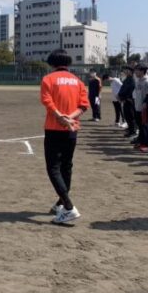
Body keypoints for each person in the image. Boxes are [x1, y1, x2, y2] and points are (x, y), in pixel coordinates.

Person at [41, 49, 90, 224]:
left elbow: (47, 101)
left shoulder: (48, 79)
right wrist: (70, 117)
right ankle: (60, 203)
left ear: (52, 63)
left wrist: (60, 116)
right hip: (71, 129)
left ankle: (69, 207)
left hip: (54, 128)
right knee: (66, 166)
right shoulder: (78, 81)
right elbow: (84, 105)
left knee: (53, 167)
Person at [132, 64, 148, 151]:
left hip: (143, 108)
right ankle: (142, 142)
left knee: (144, 127)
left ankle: (146, 144)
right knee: (140, 126)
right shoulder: (138, 80)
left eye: (137, 70)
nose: (135, 72)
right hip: (137, 106)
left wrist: (145, 106)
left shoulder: (147, 82)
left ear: (142, 71)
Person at [118, 65, 137, 137]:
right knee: (127, 116)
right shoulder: (127, 79)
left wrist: (125, 98)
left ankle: (133, 131)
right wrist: (120, 96)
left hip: (129, 101)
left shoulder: (132, 80)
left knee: (131, 116)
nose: (125, 71)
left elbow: (130, 90)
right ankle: (130, 129)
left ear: (131, 71)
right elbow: (122, 89)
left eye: (127, 70)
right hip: (125, 100)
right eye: (125, 70)